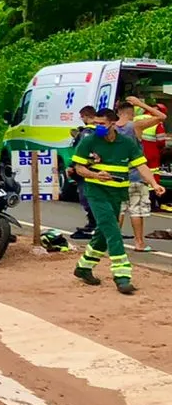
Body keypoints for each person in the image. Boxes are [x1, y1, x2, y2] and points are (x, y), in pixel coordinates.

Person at [71, 106, 164, 294]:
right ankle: (122, 276)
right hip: (97, 193)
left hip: (117, 194)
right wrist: (95, 175)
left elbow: (141, 166)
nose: (97, 127)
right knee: (113, 231)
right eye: (95, 123)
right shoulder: (88, 141)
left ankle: (84, 267)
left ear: (113, 124)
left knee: (103, 233)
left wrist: (154, 184)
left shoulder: (126, 143)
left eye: (101, 124)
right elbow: (78, 168)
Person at [118, 97, 167, 250]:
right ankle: (139, 243)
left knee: (118, 210)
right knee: (136, 210)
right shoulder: (136, 126)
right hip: (136, 174)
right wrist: (141, 104)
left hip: (117, 176)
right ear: (132, 113)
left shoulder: (111, 128)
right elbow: (161, 117)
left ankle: (112, 240)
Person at [69, 106, 99, 240]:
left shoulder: (86, 132)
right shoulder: (102, 131)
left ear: (86, 116)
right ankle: (94, 223)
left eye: (82, 117)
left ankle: (93, 224)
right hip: (98, 168)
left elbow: (80, 152)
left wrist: (72, 166)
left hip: (86, 169)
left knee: (86, 198)